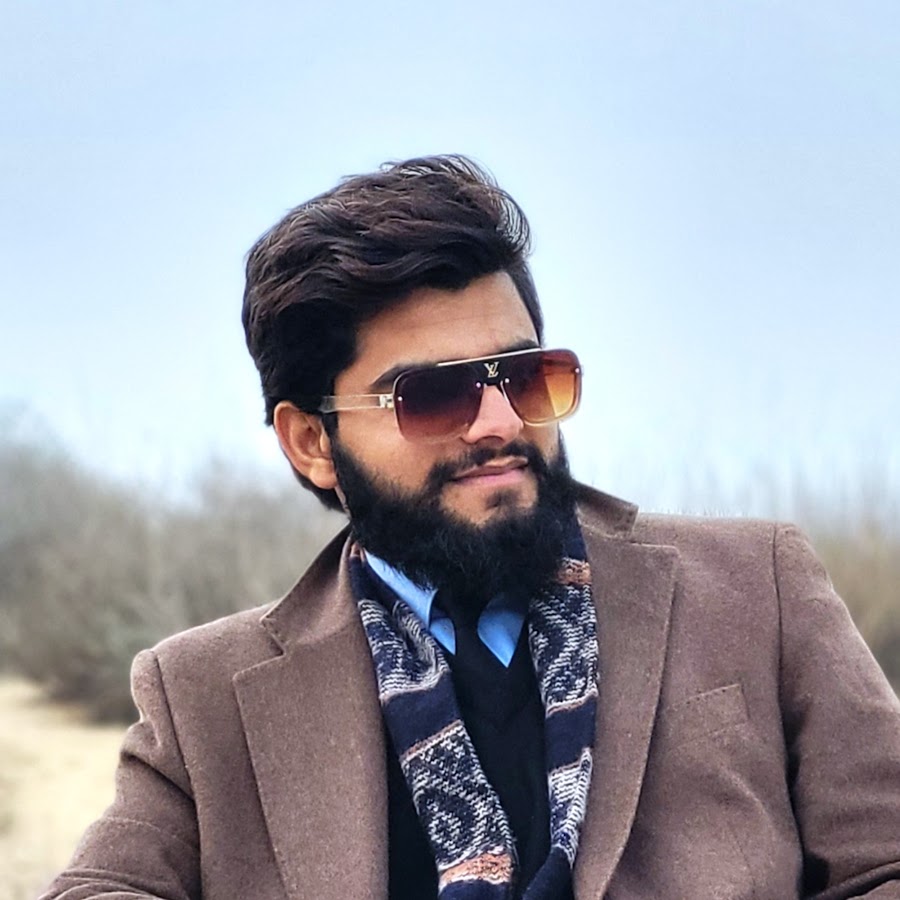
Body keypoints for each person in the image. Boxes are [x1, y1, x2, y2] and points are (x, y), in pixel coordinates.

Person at [41, 155, 900, 900]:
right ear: (312, 442)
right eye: (434, 395)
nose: (499, 422)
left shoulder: (757, 591)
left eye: (523, 376)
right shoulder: (205, 695)